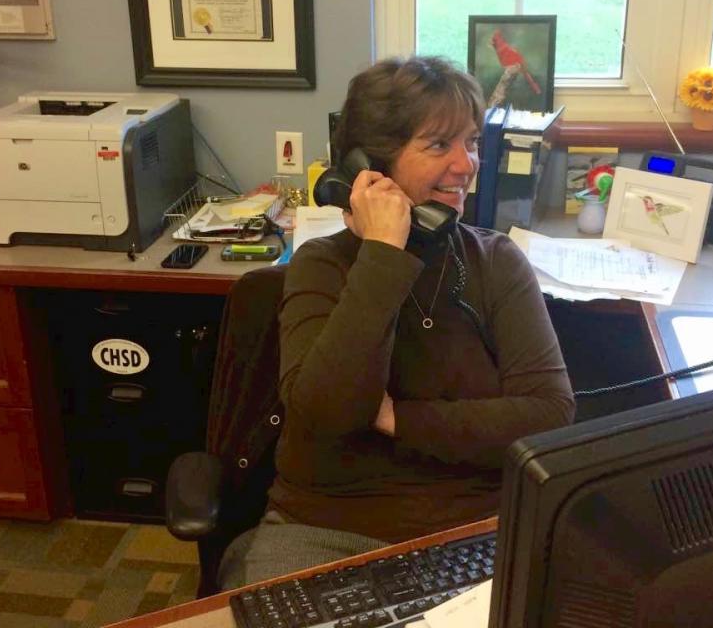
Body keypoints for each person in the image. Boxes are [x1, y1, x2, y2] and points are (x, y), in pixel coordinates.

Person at [218, 56, 574, 588]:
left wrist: (396, 419)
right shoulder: (322, 265)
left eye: (471, 142)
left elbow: (548, 415)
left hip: (478, 529)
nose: (466, 164)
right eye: (439, 146)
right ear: (371, 167)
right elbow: (330, 413)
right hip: (326, 529)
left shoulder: (495, 261)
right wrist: (384, 253)